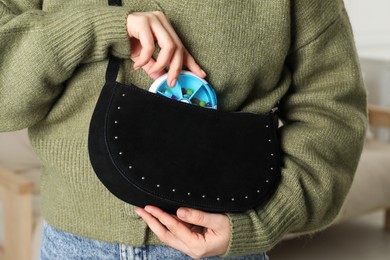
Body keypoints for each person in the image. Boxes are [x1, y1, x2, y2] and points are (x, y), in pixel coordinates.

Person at [0, 0, 367, 259]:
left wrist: (265, 219)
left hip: (220, 249)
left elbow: (332, 112)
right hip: (71, 245)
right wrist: (93, 28)